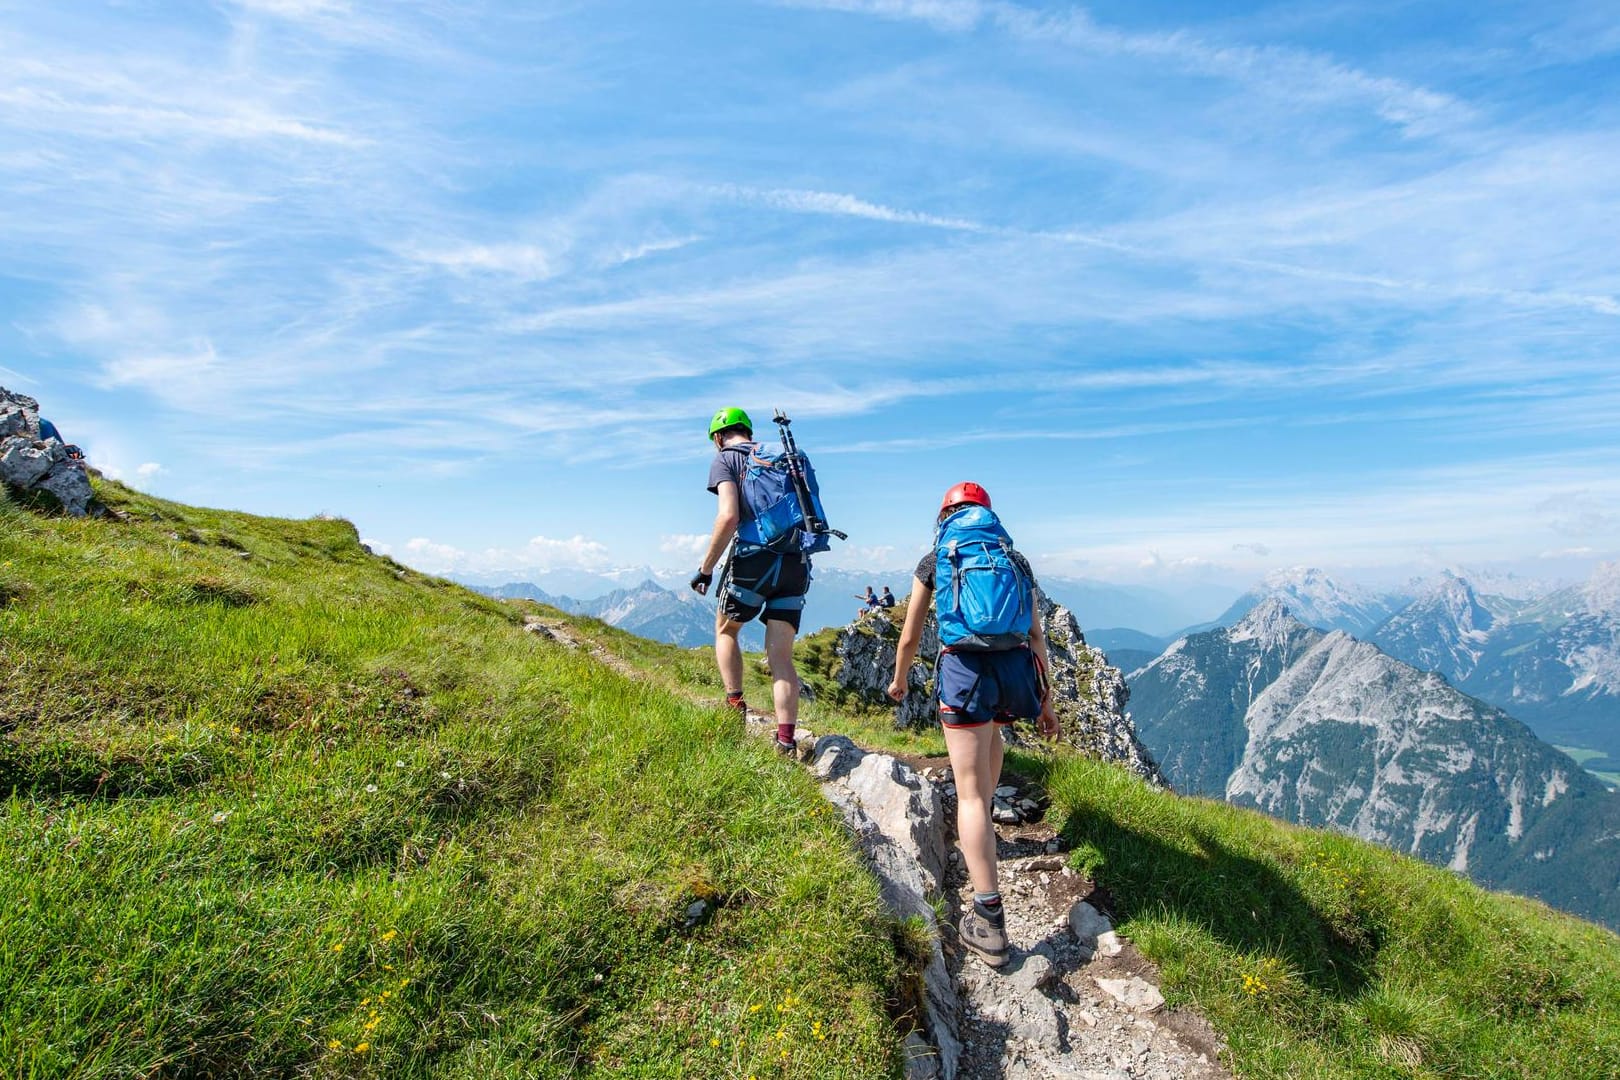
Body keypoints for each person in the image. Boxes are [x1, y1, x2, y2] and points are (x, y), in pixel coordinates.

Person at [887, 481, 1060, 968]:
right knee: (990, 755)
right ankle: (982, 832)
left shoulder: (936, 557)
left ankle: (988, 917)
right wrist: (1047, 705)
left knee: (968, 795)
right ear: (987, 514)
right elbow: (1036, 638)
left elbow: (910, 634)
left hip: (964, 674)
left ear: (946, 514)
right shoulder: (1014, 558)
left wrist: (900, 681)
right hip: (1013, 674)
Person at [689, 407, 811, 755]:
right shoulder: (784, 457)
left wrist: (707, 568)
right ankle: (786, 740)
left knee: (727, 630)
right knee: (782, 658)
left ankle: (734, 705)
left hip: (754, 560)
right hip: (794, 561)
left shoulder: (726, 459)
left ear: (718, 437)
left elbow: (728, 516)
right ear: (748, 430)